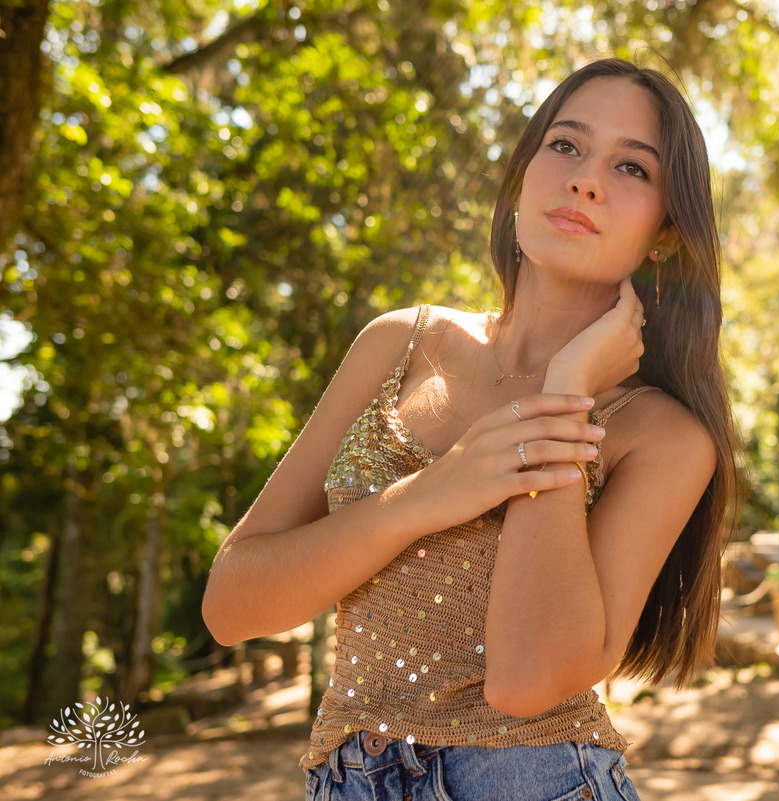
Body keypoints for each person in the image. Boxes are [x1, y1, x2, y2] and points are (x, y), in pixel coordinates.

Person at [202, 57, 737, 801]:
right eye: (566, 146)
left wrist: (567, 391)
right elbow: (232, 605)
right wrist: (428, 495)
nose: (586, 180)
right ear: (522, 176)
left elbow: (526, 680)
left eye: (631, 168)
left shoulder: (662, 436)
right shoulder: (399, 345)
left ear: (665, 234)